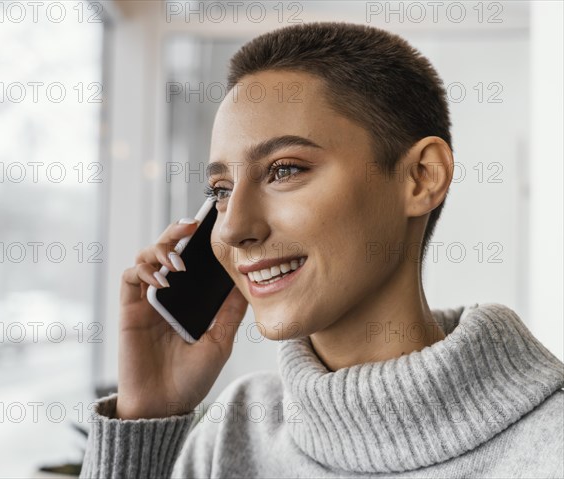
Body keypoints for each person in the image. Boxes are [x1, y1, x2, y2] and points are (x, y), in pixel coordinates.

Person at [80, 22, 564, 478]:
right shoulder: (235, 431)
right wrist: (144, 418)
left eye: (284, 170)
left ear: (421, 177)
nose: (231, 229)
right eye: (222, 190)